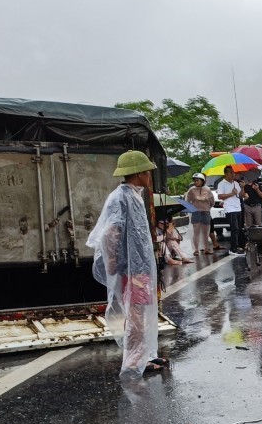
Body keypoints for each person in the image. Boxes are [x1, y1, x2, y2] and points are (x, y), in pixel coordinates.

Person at [87, 150, 168, 376]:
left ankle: (145, 355)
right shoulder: (121, 197)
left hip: (139, 268)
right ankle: (134, 362)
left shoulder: (132, 194)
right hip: (130, 270)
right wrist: (114, 263)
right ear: (139, 173)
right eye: (147, 172)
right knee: (136, 315)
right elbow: (110, 232)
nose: (150, 176)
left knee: (141, 312)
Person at [184, 172, 215, 255]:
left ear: (202, 181)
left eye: (197, 180)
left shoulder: (207, 190)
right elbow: (187, 201)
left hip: (205, 212)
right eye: (195, 180)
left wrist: (207, 207)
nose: (196, 182)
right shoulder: (191, 190)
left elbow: (212, 201)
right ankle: (196, 249)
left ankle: (206, 248)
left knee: (206, 232)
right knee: (196, 231)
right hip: (196, 212)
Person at [216, 165, 245, 253]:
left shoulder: (235, 183)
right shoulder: (222, 183)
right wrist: (231, 194)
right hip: (230, 208)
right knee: (234, 228)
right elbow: (220, 196)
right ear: (226, 173)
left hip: (238, 207)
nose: (233, 174)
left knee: (239, 228)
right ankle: (233, 249)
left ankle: (240, 246)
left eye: (234, 172)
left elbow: (241, 195)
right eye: (231, 172)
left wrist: (243, 187)